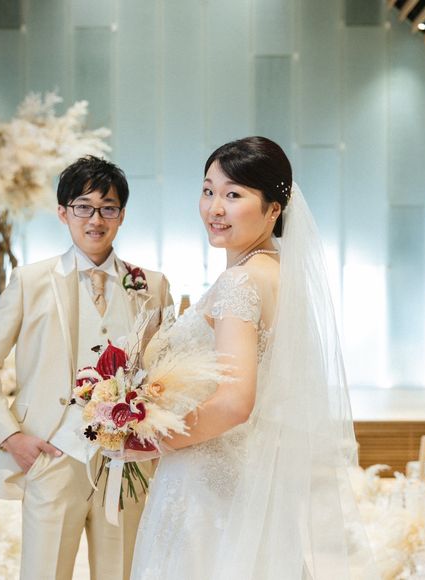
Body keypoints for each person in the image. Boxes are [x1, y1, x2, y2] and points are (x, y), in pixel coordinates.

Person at [130, 137, 377, 579]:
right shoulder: (278, 273)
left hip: (208, 482)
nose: (215, 208)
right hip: (249, 476)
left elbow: (233, 402)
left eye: (233, 195)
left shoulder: (241, 282)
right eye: (208, 191)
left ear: (273, 210)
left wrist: (149, 440)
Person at [0, 156, 174, 580]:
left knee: (121, 572)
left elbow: (169, 370)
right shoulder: (31, 281)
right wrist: (10, 437)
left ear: (122, 215)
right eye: (83, 207)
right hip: (52, 455)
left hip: (127, 460)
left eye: (108, 208)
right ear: (63, 213)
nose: (95, 219)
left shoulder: (151, 285)